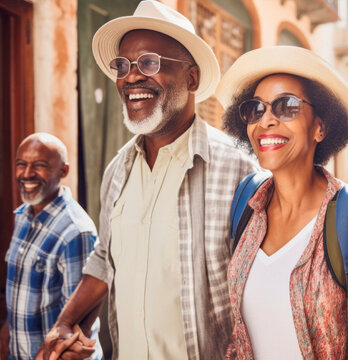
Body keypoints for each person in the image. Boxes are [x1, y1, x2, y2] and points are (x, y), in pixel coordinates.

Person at [42, 1, 257, 359]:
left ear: (192, 78)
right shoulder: (117, 171)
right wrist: (66, 322)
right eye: (122, 66)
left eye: (150, 63)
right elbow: (104, 260)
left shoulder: (239, 170)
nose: (131, 77)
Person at [215, 46, 348, 359]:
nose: (266, 120)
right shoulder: (245, 211)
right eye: (255, 109)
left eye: (287, 107)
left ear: (320, 126)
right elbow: (236, 337)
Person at [0, 133, 100, 360]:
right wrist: (8, 329)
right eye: (21, 165)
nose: (26, 174)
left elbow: (76, 324)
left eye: (39, 166)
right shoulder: (23, 215)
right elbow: (21, 288)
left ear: (63, 171)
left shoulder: (76, 232)